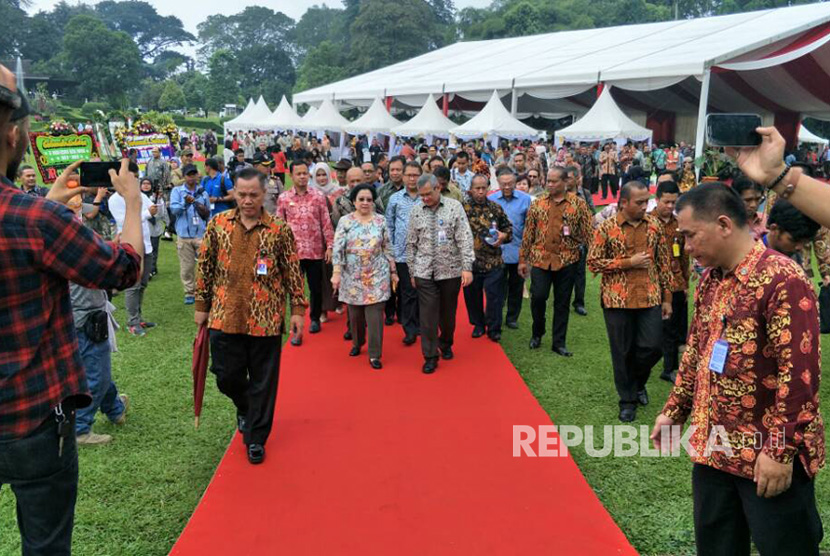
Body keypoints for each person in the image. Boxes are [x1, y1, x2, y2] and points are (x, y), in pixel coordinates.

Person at [0, 62, 144, 554]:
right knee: (45, 544)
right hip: (31, 420)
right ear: (13, 132)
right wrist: (131, 206)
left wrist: (50, 205)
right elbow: (123, 270)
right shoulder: (32, 218)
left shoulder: (36, 213)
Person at [651, 182, 824, 556]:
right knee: (717, 546)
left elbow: (800, 378)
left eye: (690, 235)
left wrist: (779, 451)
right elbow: (696, 352)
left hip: (766, 454)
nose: (686, 246)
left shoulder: (783, 279)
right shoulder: (711, 279)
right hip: (714, 448)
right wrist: (673, 410)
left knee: (786, 547)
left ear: (724, 225)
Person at [195, 167, 307, 465]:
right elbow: (204, 266)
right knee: (225, 376)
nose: (246, 200)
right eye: (241, 194)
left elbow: (292, 271)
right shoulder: (218, 224)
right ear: (234, 193)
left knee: (263, 381)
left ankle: (256, 437)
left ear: (264, 194)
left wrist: (297, 309)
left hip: (266, 318)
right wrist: (201, 306)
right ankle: (246, 406)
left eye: (253, 195)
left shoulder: (279, 229)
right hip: (223, 314)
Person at [588, 180, 672, 422]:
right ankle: (627, 400)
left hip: (650, 295)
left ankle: (637, 382)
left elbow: (664, 263)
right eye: (640, 202)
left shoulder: (654, 225)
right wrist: (628, 262)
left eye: (647, 201)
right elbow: (593, 262)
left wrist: (667, 298)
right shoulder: (606, 228)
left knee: (652, 346)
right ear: (623, 203)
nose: (646, 206)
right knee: (622, 351)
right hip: (617, 299)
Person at [65, 193, 129, 446]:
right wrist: (115, 247)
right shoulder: (74, 246)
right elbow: (111, 271)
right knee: (95, 376)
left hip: (80, 317)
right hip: (85, 319)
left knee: (94, 368)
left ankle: (114, 408)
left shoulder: (65, 241)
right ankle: (80, 428)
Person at [405, 173, 474, 374]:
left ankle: (445, 342)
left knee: (447, 315)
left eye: (428, 194)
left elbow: (464, 238)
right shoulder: (416, 211)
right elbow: (411, 244)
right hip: (424, 271)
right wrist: (412, 271)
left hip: (450, 271)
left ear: (438, 188)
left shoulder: (454, 207)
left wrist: (467, 267)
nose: (424, 198)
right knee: (427, 317)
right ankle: (430, 355)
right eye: (421, 195)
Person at [519, 167, 592, 356]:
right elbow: (528, 233)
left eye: (554, 181)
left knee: (562, 302)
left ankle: (559, 342)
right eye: (548, 181)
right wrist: (522, 260)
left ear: (565, 182)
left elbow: (589, 234)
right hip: (541, 259)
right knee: (539, 296)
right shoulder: (538, 204)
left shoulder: (578, 205)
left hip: (567, 260)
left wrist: (594, 257)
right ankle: (537, 332)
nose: (549, 184)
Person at [331, 184, 397, 369]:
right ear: (354, 201)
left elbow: (387, 247)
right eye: (361, 199)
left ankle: (375, 354)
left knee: (375, 315)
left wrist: (393, 272)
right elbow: (338, 249)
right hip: (351, 276)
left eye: (369, 199)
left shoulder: (381, 221)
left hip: (377, 274)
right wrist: (336, 273)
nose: (365, 203)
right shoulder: (345, 221)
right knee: (356, 315)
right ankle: (357, 342)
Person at [277, 161, 334, 340]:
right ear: (291, 176)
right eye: (298, 173)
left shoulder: (318, 197)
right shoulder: (284, 198)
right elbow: (279, 225)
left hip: (315, 251)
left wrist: (330, 246)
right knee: (295, 290)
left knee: (315, 287)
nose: (302, 176)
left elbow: (326, 223)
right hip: (293, 253)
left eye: (304, 173)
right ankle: (297, 325)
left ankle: (315, 317)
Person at [462, 174, 512, 341]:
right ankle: (477, 324)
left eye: (484, 188)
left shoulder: (496, 208)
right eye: (477, 188)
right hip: (471, 262)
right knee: (472, 296)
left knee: (494, 297)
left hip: (494, 262)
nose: (481, 192)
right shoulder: (463, 209)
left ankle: (494, 327)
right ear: (471, 190)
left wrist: (503, 236)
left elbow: (508, 230)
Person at [109, 165, 156, 336]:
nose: (135, 180)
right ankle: (132, 321)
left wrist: (147, 212)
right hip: (131, 247)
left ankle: (139, 317)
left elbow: (152, 208)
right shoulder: (114, 199)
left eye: (137, 176)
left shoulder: (139, 194)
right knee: (133, 285)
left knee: (143, 284)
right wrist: (145, 213)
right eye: (132, 176)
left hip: (146, 244)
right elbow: (125, 221)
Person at [649, 181, 688, 383]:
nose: (670, 206)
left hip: (676, 282)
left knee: (673, 328)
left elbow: (683, 256)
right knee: (655, 330)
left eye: (674, 202)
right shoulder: (647, 222)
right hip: (653, 283)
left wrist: (686, 283)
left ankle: (669, 368)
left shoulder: (679, 225)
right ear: (657, 200)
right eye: (667, 202)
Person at [386, 161, 423, 345]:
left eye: (415, 175)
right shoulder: (395, 199)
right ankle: (409, 329)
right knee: (407, 292)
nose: (411, 178)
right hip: (401, 253)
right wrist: (390, 252)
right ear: (403, 176)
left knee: (423, 292)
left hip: (424, 254)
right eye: (408, 174)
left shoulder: (426, 197)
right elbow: (389, 226)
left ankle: (422, 325)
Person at [492, 166, 532, 329]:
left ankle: (512, 317)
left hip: (518, 251)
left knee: (516, 287)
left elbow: (530, 227)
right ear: (498, 183)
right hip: (497, 252)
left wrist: (526, 253)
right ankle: (496, 315)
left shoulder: (525, 199)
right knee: (497, 287)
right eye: (503, 184)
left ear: (515, 182)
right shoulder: (493, 199)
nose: (507, 187)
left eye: (510, 184)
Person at [170, 163, 211, 304]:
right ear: (184, 176)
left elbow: (208, 213)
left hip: (201, 234)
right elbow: (174, 211)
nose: (192, 177)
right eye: (189, 175)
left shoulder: (203, 192)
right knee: (187, 267)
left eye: (194, 174)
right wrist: (186, 203)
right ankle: (189, 292)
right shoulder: (177, 191)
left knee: (206, 265)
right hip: (184, 235)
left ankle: (205, 290)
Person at [565, 165, 595, 317]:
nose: (566, 180)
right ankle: (563, 300)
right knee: (563, 274)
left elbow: (592, 213)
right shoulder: (559, 195)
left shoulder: (585, 194)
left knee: (580, 273)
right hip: (562, 241)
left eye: (569, 177)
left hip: (580, 240)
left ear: (577, 179)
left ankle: (579, 302)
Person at [142, 177, 169, 277]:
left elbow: (161, 213)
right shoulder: (138, 197)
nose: (145, 185)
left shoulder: (156, 198)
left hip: (154, 227)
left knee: (154, 249)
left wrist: (158, 199)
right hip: (143, 226)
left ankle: (152, 268)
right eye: (143, 183)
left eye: (148, 184)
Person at [733, 176, 767, 241]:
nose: (753, 205)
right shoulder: (730, 223)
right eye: (748, 200)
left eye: (757, 199)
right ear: (735, 198)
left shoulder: (765, 220)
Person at [252, 151, 282, 215]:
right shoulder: (248, 183)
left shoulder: (275, 181)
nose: (268, 167)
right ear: (255, 166)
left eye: (269, 165)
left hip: (273, 221)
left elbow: (283, 201)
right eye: (265, 165)